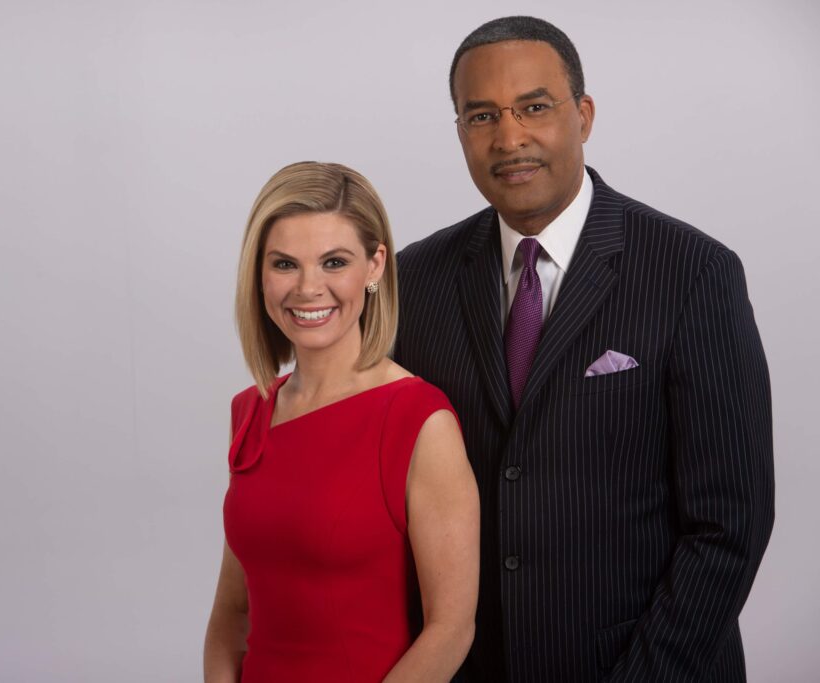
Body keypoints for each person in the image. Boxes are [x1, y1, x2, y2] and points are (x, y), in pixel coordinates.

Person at [394, 16, 774, 683]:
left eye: (534, 107)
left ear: (584, 114)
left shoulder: (692, 273)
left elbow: (728, 524)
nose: (510, 138)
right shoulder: (414, 282)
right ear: (459, 132)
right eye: (481, 116)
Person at [203, 161, 480, 682]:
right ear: (258, 272)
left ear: (375, 266)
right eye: (284, 264)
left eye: (334, 262)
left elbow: (451, 629)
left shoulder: (420, 420)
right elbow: (232, 614)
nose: (309, 288)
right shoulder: (250, 411)